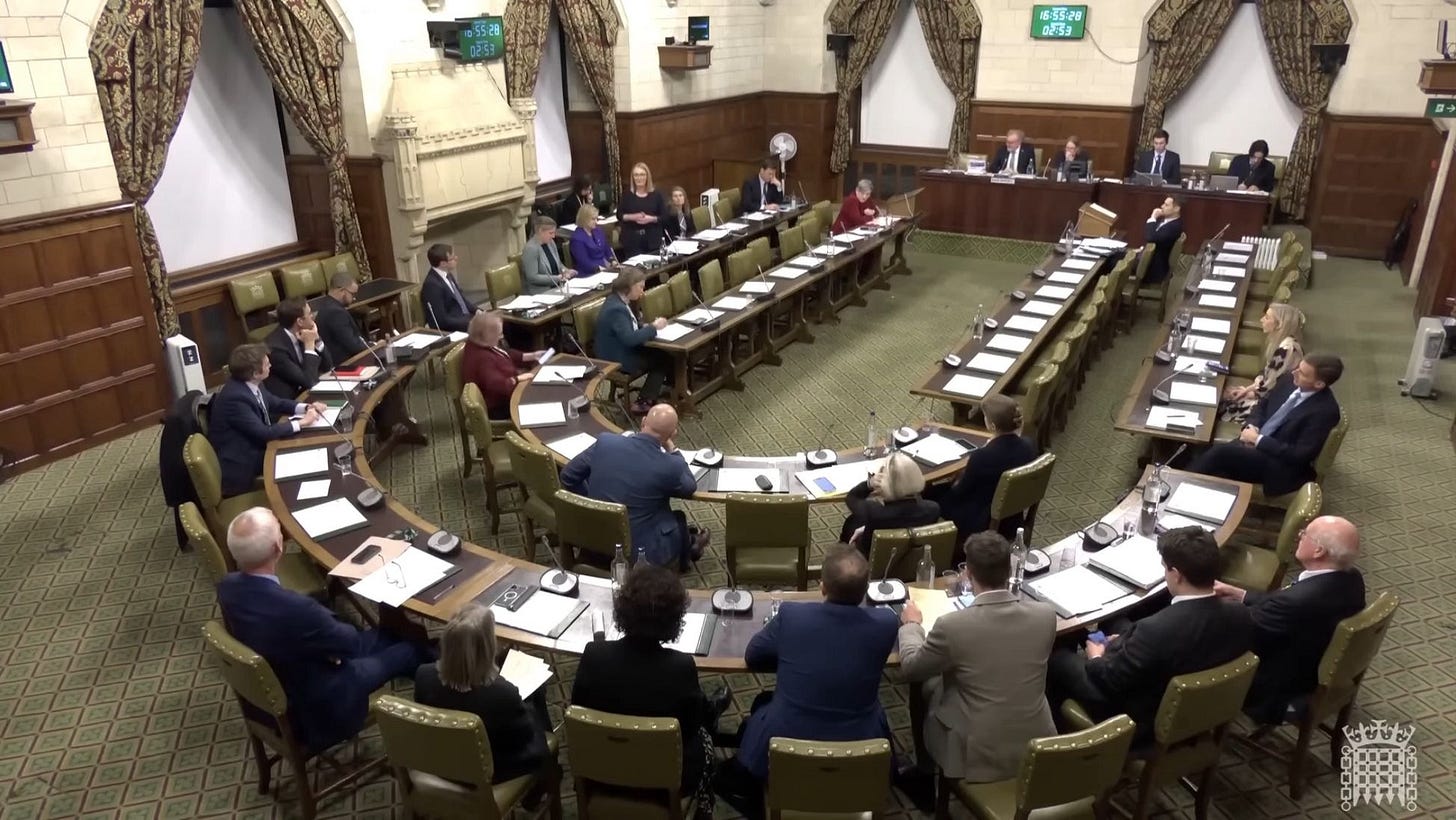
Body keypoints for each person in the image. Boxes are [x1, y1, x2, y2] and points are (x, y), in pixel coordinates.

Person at [217, 508, 432, 753]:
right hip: (322, 702)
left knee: (385, 636)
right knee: (410, 648)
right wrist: (325, 634)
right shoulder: (296, 610)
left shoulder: (227, 587)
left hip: (285, 677)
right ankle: (443, 690)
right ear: (279, 547)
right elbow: (349, 644)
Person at [1045, 526, 1253, 741]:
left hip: (1141, 716)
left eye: (1164, 568)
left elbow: (1110, 680)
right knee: (1114, 620)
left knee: (1056, 654)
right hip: (1197, 705)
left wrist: (1096, 657)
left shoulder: (1155, 631)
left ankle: (1059, 736)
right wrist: (1127, 641)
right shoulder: (1241, 614)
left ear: (1176, 575)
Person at [898, 532, 1057, 783]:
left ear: (968, 574)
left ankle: (925, 775)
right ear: (1009, 568)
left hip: (976, 750)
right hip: (1035, 740)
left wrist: (911, 625)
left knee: (924, 683)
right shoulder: (1046, 615)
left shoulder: (952, 626)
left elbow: (910, 667)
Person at [737, 547, 899, 781]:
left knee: (761, 703)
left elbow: (753, 654)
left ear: (822, 586)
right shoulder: (886, 623)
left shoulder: (793, 616)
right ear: (866, 590)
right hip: (862, 741)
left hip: (786, 737)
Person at [571, 564, 719, 816]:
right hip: (664, 785)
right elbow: (692, 728)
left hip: (602, 776)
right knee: (706, 741)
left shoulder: (593, 655)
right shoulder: (680, 668)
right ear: (674, 619)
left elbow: (579, 712)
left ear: (623, 610)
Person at [1214, 516, 1366, 724]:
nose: (1299, 535)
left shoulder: (1295, 602)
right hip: (1310, 661)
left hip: (1274, 687)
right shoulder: (1352, 579)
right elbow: (1281, 603)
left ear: (1318, 551)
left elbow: (1240, 633)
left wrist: (1198, 603)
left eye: (1305, 534)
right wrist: (1241, 595)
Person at [560, 403, 708, 570]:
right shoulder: (670, 465)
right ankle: (687, 552)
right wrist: (673, 450)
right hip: (637, 552)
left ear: (643, 421)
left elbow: (568, 476)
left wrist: (593, 505)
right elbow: (690, 487)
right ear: (673, 434)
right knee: (678, 518)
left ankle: (690, 544)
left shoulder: (606, 442)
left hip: (594, 536)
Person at [414, 604, 550, 782]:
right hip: (489, 770)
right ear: (487, 647)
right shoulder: (503, 694)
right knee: (536, 702)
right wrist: (527, 705)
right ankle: (545, 781)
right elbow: (523, 737)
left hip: (443, 762)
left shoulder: (423, 675)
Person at [1188, 354, 1343, 497]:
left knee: (1220, 454)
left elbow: (1299, 455)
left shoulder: (1325, 412)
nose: (1294, 372)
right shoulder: (1289, 379)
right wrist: (1252, 425)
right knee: (1204, 454)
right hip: (1254, 440)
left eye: (1302, 373)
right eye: (1298, 368)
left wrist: (1258, 440)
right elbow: (1263, 404)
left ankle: (1180, 485)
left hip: (1278, 464)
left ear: (1319, 383)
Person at [208, 343, 324, 497]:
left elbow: (275, 402)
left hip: (257, 447)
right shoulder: (235, 398)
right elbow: (263, 433)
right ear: (255, 373)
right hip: (243, 462)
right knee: (301, 460)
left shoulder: (252, 383)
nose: (270, 364)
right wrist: (302, 422)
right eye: (266, 363)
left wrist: (306, 407)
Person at [929, 394, 1039, 544]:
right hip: (1013, 517)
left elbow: (958, 492)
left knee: (927, 494)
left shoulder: (982, 456)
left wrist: (957, 477)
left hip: (981, 517)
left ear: (992, 426)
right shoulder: (1029, 445)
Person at [593, 269, 670, 412]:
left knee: (663, 352)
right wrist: (653, 327)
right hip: (616, 357)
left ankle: (670, 388)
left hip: (619, 348)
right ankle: (644, 402)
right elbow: (629, 339)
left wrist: (643, 326)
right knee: (662, 358)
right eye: (640, 287)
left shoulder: (616, 300)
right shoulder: (616, 309)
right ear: (629, 287)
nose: (643, 291)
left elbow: (627, 327)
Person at [838, 451, 940, 556]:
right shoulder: (933, 509)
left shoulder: (874, 512)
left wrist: (869, 483)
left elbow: (852, 498)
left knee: (851, 522)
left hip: (870, 562)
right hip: (913, 561)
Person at [1220, 304, 1305, 424]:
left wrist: (1249, 392)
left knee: (1226, 405)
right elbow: (1268, 377)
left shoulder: (1285, 349)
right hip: (1270, 393)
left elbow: (1268, 386)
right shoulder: (1281, 341)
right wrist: (1246, 390)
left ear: (1279, 324)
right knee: (1227, 395)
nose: (1261, 320)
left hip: (1274, 403)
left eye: (1267, 317)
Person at [461, 311, 546, 419]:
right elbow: (498, 385)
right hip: (499, 406)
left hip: (506, 395)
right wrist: (517, 379)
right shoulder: (483, 359)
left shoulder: (477, 343)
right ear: (488, 335)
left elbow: (503, 353)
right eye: (499, 333)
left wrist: (532, 356)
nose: (502, 336)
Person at [263, 297, 334, 399]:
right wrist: (309, 345)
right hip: (288, 404)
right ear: (300, 322)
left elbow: (328, 366)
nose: (313, 316)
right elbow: (309, 382)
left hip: (305, 393)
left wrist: (317, 339)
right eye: (309, 313)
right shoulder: (276, 349)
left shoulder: (303, 333)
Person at [420, 242, 480, 333]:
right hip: (453, 326)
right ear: (443, 263)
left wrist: (477, 311)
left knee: (501, 321)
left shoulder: (448, 274)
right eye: (452, 258)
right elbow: (442, 320)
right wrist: (471, 322)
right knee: (489, 328)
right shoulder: (432, 285)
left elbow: (462, 301)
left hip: (465, 318)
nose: (456, 258)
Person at [313, 271, 367, 360]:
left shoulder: (328, 305)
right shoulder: (335, 312)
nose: (354, 298)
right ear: (342, 291)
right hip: (346, 364)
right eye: (352, 294)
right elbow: (354, 346)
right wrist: (375, 346)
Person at [617, 162, 666, 258]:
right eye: (636, 175)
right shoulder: (627, 195)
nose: (639, 178)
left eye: (642, 174)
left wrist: (651, 219)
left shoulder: (656, 195)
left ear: (647, 176)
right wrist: (632, 217)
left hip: (653, 240)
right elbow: (619, 215)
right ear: (632, 177)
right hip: (632, 241)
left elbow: (665, 216)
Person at [520, 216, 575, 295]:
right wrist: (558, 278)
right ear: (540, 231)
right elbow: (532, 277)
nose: (553, 236)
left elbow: (558, 264)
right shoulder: (530, 249)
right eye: (550, 233)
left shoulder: (551, 243)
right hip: (540, 292)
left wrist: (566, 271)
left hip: (558, 287)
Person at [1141, 195, 1184, 285]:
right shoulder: (1167, 222)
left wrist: (1153, 217)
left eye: (1166, 205)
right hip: (1149, 260)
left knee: (1114, 260)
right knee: (1116, 255)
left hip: (1153, 268)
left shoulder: (1174, 227)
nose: (1162, 206)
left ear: (1176, 209)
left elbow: (1151, 238)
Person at [568, 204, 614, 277]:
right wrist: (600, 269)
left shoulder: (598, 230)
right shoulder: (577, 239)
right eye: (593, 219)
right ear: (584, 219)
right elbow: (584, 262)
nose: (596, 222)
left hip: (605, 269)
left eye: (596, 219)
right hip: (588, 274)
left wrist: (612, 260)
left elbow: (606, 248)